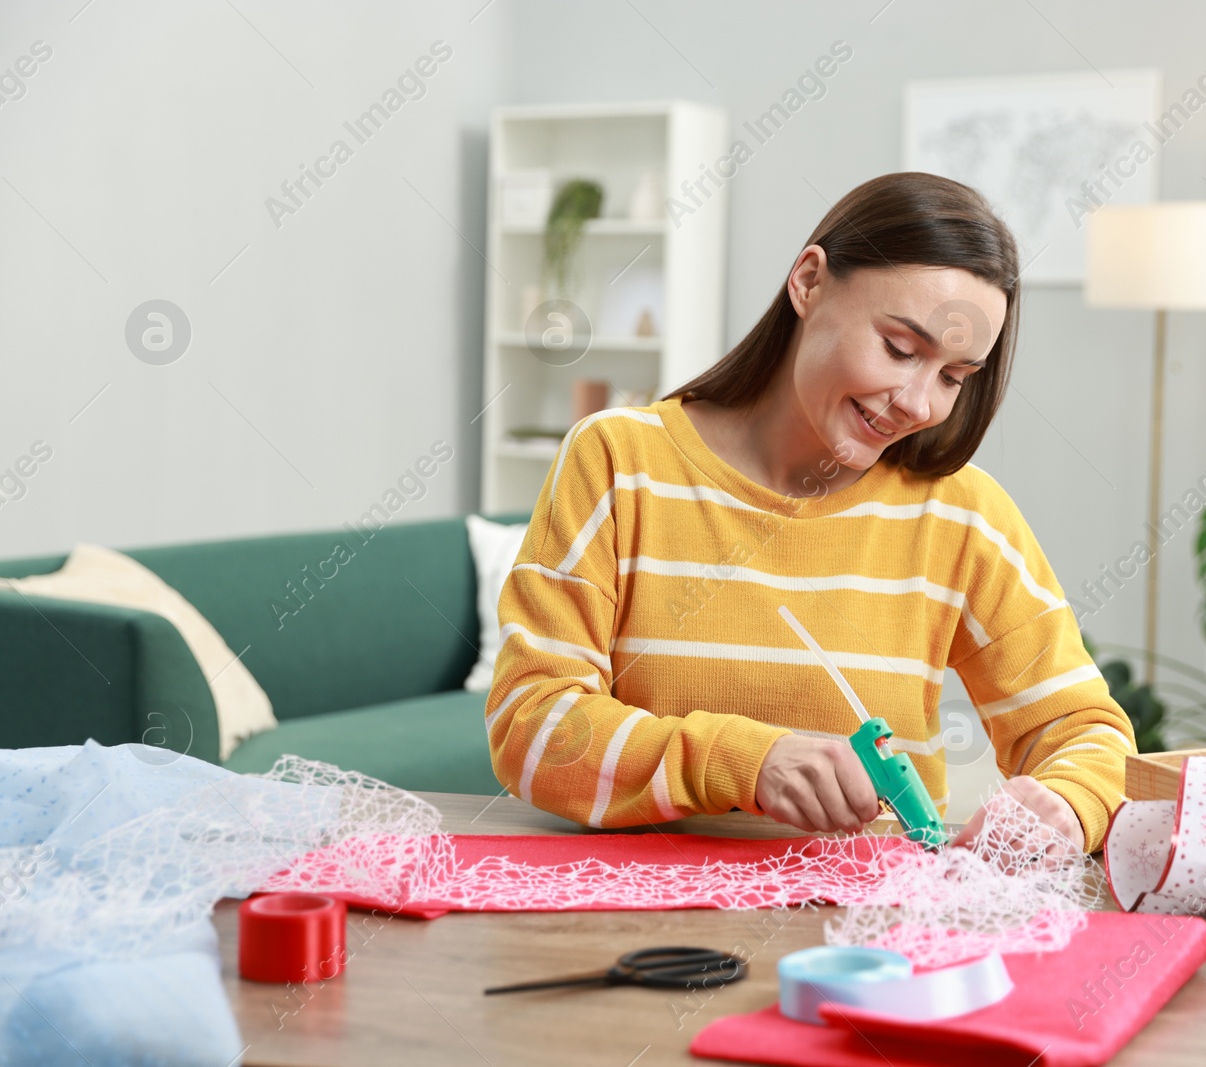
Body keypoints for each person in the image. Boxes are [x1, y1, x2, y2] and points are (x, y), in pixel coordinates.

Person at [485, 171, 1136, 855]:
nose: (919, 402)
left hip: (870, 939)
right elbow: (533, 729)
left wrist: (1066, 801)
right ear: (808, 281)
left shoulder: (962, 513)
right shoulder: (618, 463)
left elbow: (1089, 734)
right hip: (642, 931)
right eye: (900, 349)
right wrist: (747, 761)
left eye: (953, 377)